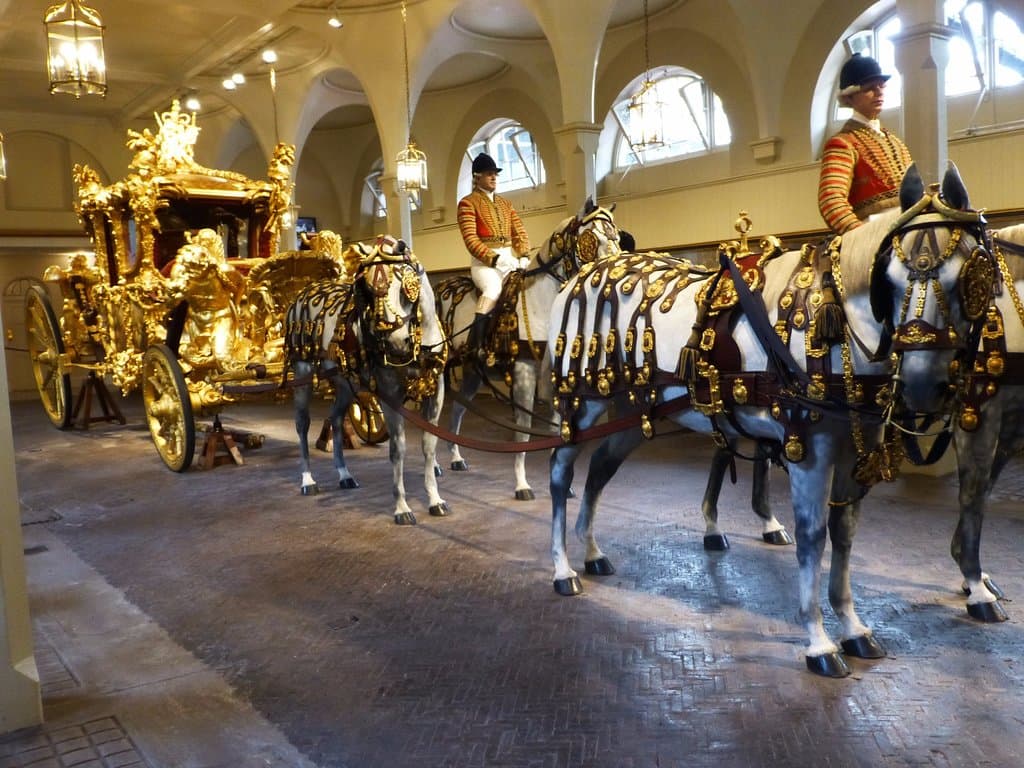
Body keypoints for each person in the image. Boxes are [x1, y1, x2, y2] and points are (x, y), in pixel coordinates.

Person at [817, 53, 913, 234]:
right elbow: (831, 200)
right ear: (849, 97)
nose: (878, 92)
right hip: (872, 232)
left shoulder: (896, 143)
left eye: (881, 86)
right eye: (869, 88)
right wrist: (861, 235)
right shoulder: (842, 143)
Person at [457, 152, 531, 354]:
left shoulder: (506, 204)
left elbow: (519, 232)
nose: (493, 177)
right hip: (484, 265)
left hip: (510, 259)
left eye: (495, 174)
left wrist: (524, 255)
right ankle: (476, 344)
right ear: (477, 177)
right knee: (493, 290)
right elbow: (471, 240)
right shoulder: (467, 203)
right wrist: (495, 259)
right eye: (489, 174)